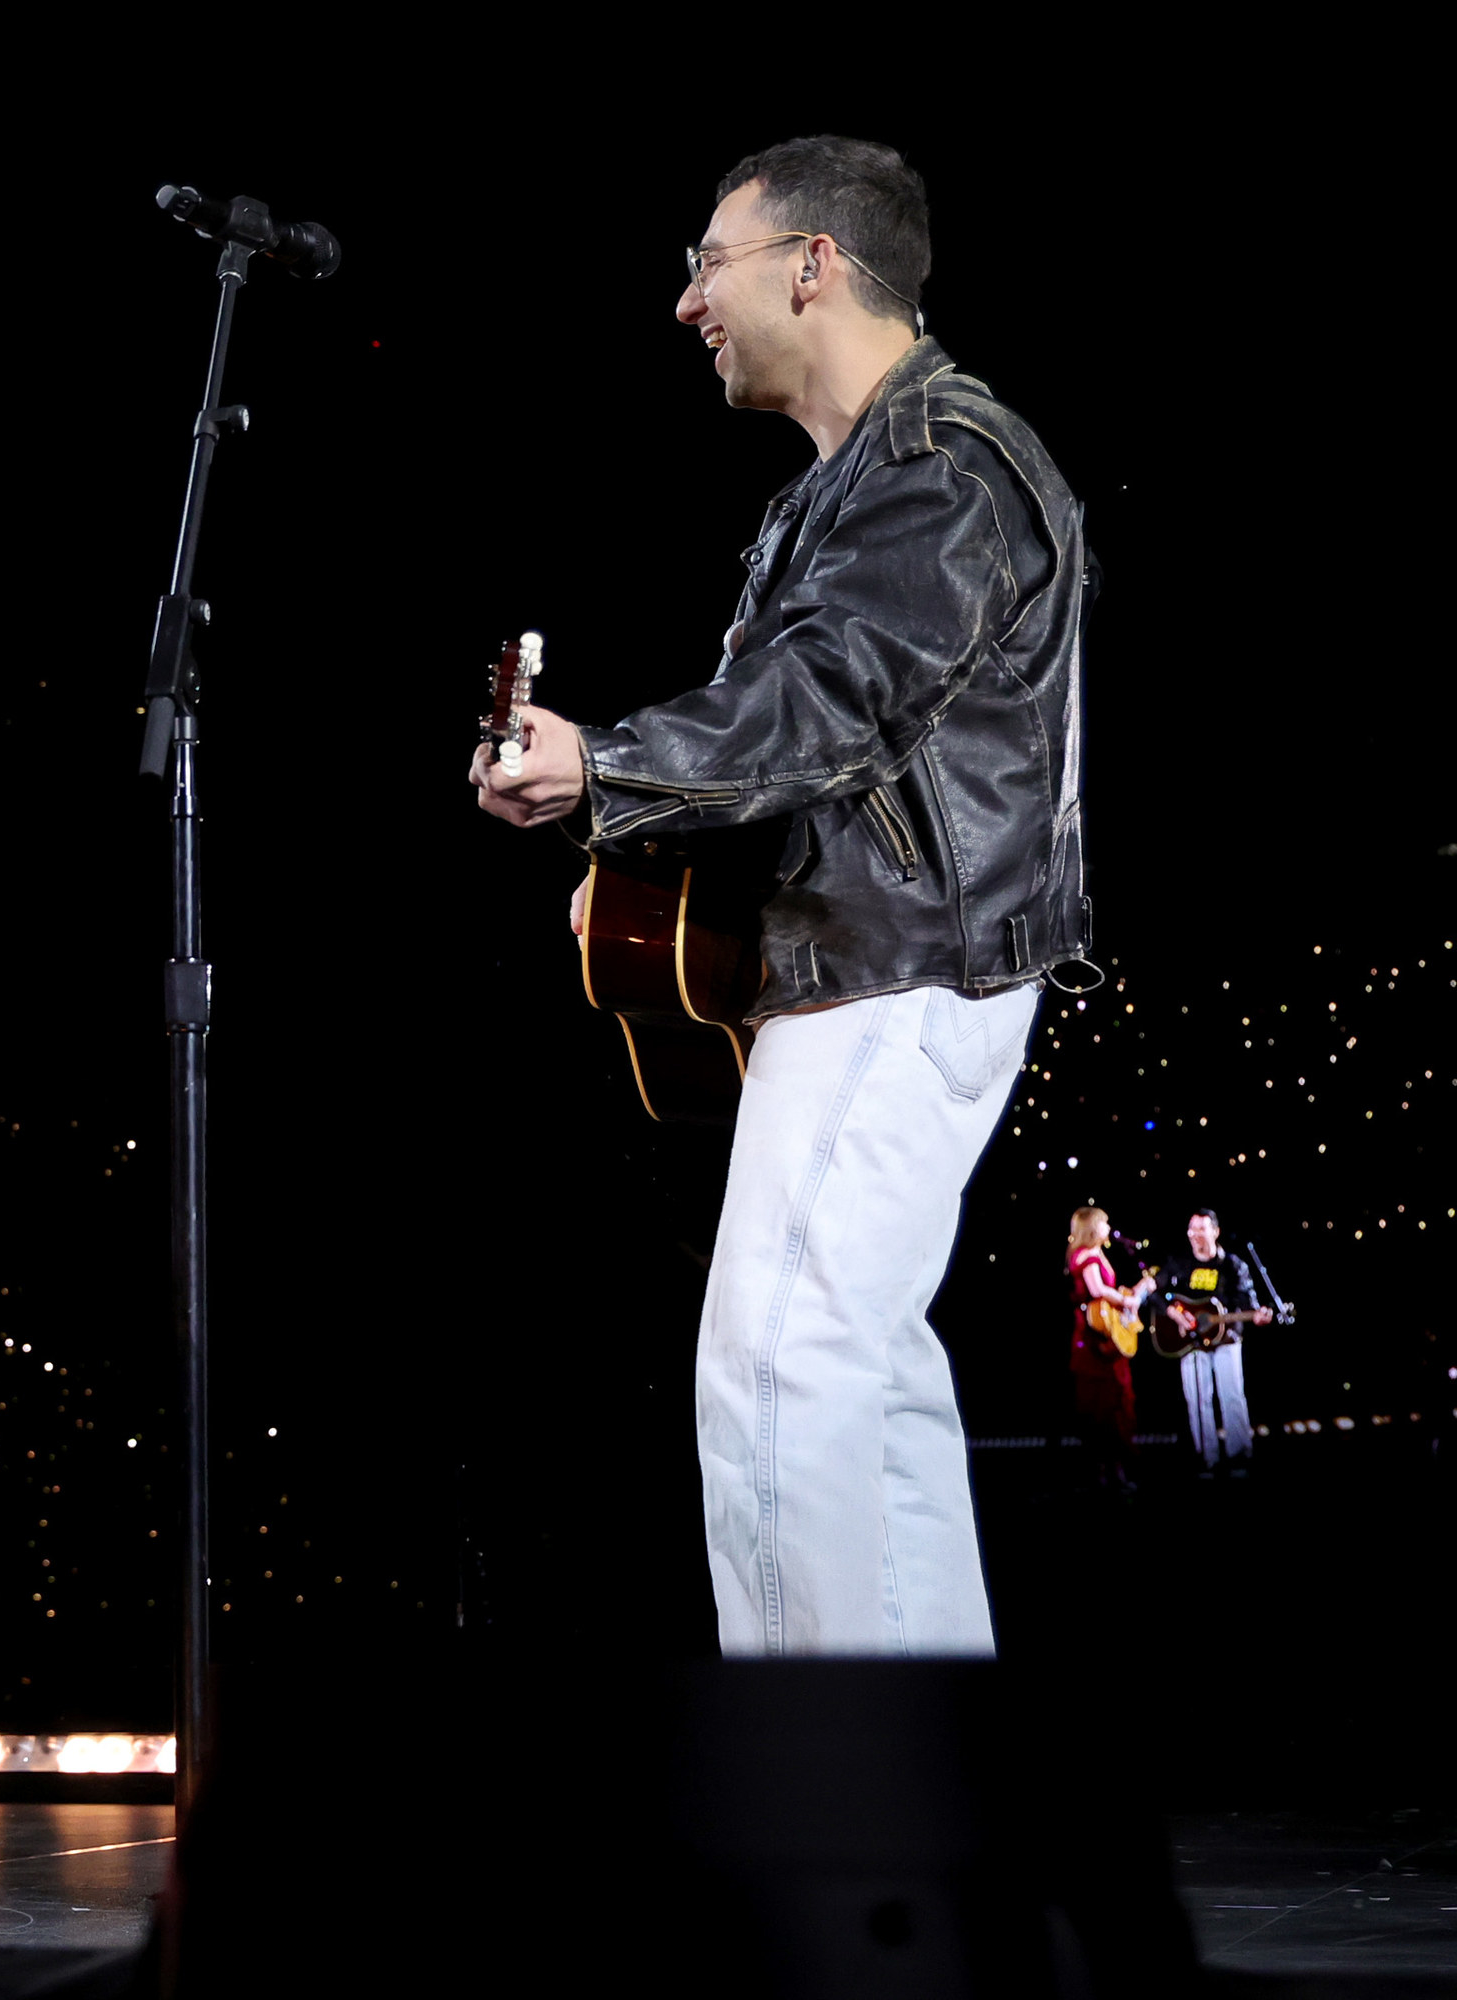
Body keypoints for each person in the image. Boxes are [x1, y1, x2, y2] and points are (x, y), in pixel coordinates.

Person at [470, 136, 1096, 1656]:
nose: (686, 301)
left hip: (900, 980)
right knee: (859, 1383)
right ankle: (920, 1804)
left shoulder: (943, 468)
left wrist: (607, 771)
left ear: (811, 263)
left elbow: (831, 703)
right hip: (879, 973)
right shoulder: (853, 484)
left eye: (708, 263)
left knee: (786, 1372)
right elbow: (823, 754)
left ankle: (832, 1808)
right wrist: (637, 861)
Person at [1157, 1207, 1280, 1476]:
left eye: (1201, 1229)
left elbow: (1248, 1301)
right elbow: (1157, 1293)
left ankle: (1239, 1456)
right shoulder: (1179, 1263)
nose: (1195, 1235)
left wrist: (1256, 1315)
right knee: (1197, 1400)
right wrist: (1175, 1315)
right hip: (1191, 1342)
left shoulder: (1233, 1265)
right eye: (1192, 1229)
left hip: (1226, 1340)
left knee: (1232, 1396)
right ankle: (1206, 1457)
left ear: (1215, 1231)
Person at [1066, 1208, 1152, 1492]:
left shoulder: (1095, 1252)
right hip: (1094, 1338)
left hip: (1103, 1331)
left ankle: (1113, 1469)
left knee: (1113, 1404)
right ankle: (1106, 1472)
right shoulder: (1087, 1256)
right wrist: (1126, 1300)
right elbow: (1098, 1289)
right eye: (1104, 1223)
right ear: (1092, 1227)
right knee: (1104, 1404)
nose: (1108, 1227)